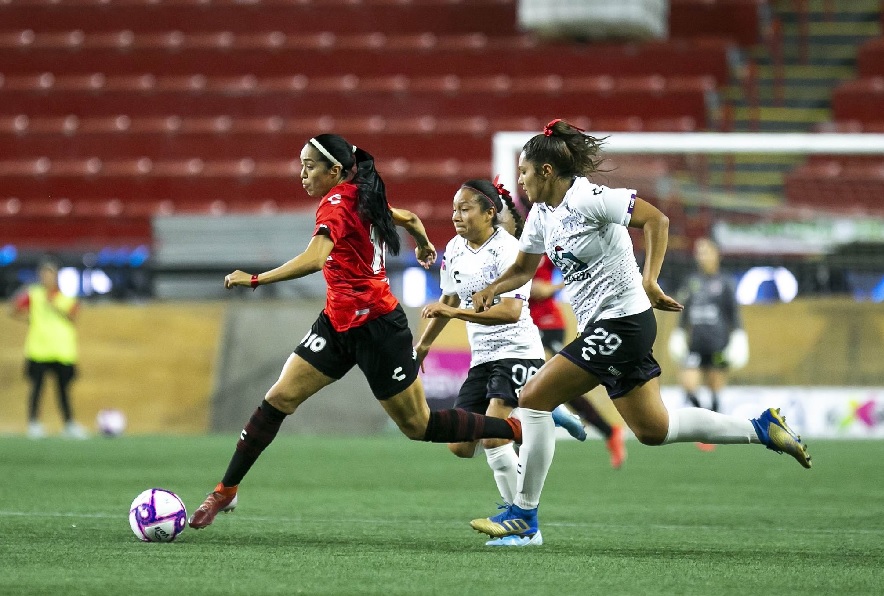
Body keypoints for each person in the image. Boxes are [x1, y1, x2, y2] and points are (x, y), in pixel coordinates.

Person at [468, 119, 812, 544]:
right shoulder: (541, 214)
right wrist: (492, 288)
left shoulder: (589, 198)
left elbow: (657, 220)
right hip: (606, 327)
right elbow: (523, 269)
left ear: (547, 171)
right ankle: (761, 428)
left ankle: (524, 516)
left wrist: (650, 280)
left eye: (523, 171)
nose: (519, 180)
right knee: (654, 430)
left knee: (534, 398)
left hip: (624, 322)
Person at [188, 134, 523, 530]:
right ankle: (225, 489)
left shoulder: (337, 203)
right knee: (278, 398)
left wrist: (256, 279)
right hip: (336, 324)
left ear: (334, 171)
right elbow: (410, 218)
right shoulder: (363, 196)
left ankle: (514, 427)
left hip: (378, 328)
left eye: (309, 166)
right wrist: (422, 243)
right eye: (301, 166)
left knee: (419, 426)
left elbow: (315, 259)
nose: (302, 174)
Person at [414, 178, 582, 547]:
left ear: (490, 212)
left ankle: (524, 527)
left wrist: (456, 314)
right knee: (460, 445)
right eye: (454, 209)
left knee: (493, 437)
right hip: (483, 357)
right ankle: (544, 412)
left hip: (517, 350)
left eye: (465, 209)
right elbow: (449, 300)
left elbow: (510, 312)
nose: (456, 216)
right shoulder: (454, 249)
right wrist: (423, 345)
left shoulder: (510, 251)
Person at [529, 253, 628, 468]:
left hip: (548, 323)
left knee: (543, 380)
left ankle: (603, 430)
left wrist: (552, 288)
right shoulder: (507, 249)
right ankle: (608, 431)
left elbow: (581, 266)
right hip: (521, 324)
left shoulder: (543, 248)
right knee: (552, 387)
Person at [668, 237, 749, 452]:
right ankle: (704, 422)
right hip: (695, 344)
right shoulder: (691, 281)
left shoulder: (725, 282)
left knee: (714, 389)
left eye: (705, 251)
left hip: (718, 344)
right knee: (688, 385)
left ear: (716, 254)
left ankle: (711, 433)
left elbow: (733, 314)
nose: (701, 256)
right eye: (699, 252)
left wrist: (739, 336)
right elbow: (683, 311)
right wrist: (678, 332)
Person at [9, 257, 87, 439]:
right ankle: (34, 424)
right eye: (44, 273)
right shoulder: (33, 294)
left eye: (50, 273)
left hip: (62, 351)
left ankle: (69, 424)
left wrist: (55, 306)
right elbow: (14, 310)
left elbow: (74, 316)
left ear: (56, 275)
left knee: (63, 390)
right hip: (39, 349)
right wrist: (28, 318)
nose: (47, 277)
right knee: (36, 389)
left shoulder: (66, 298)